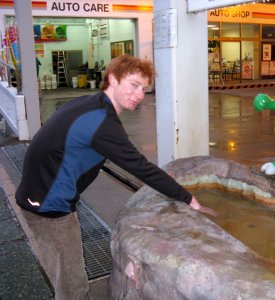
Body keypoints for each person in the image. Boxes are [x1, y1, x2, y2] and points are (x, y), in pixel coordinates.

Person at [15, 54, 207, 299]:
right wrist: (188, 198)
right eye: (134, 85)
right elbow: (138, 166)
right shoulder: (101, 121)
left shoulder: (91, 104)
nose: (139, 94)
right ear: (113, 79)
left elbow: (124, 156)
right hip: (49, 206)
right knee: (72, 278)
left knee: (60, 267)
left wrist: (160, 177)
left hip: (39, 193)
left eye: (144, 88)